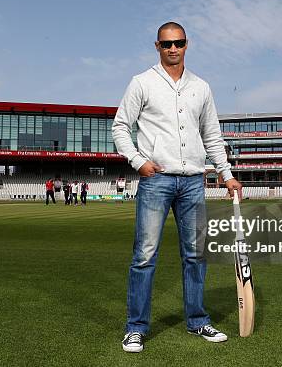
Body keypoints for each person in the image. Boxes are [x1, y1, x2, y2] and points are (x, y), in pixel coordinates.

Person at [112, 21, 242, 353]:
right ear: (157, 46)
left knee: (197, 255)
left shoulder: (202, 87)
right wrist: (138, 161)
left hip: (194, 183)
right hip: (156, 180)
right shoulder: (141, 83)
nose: (173, 49)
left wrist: (226, 175)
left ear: (187, 45)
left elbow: (212, 136)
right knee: (144, 256)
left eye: (179, 43)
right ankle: (136, 328)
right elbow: (121, 127)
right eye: (167, 44)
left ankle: (198, 321)